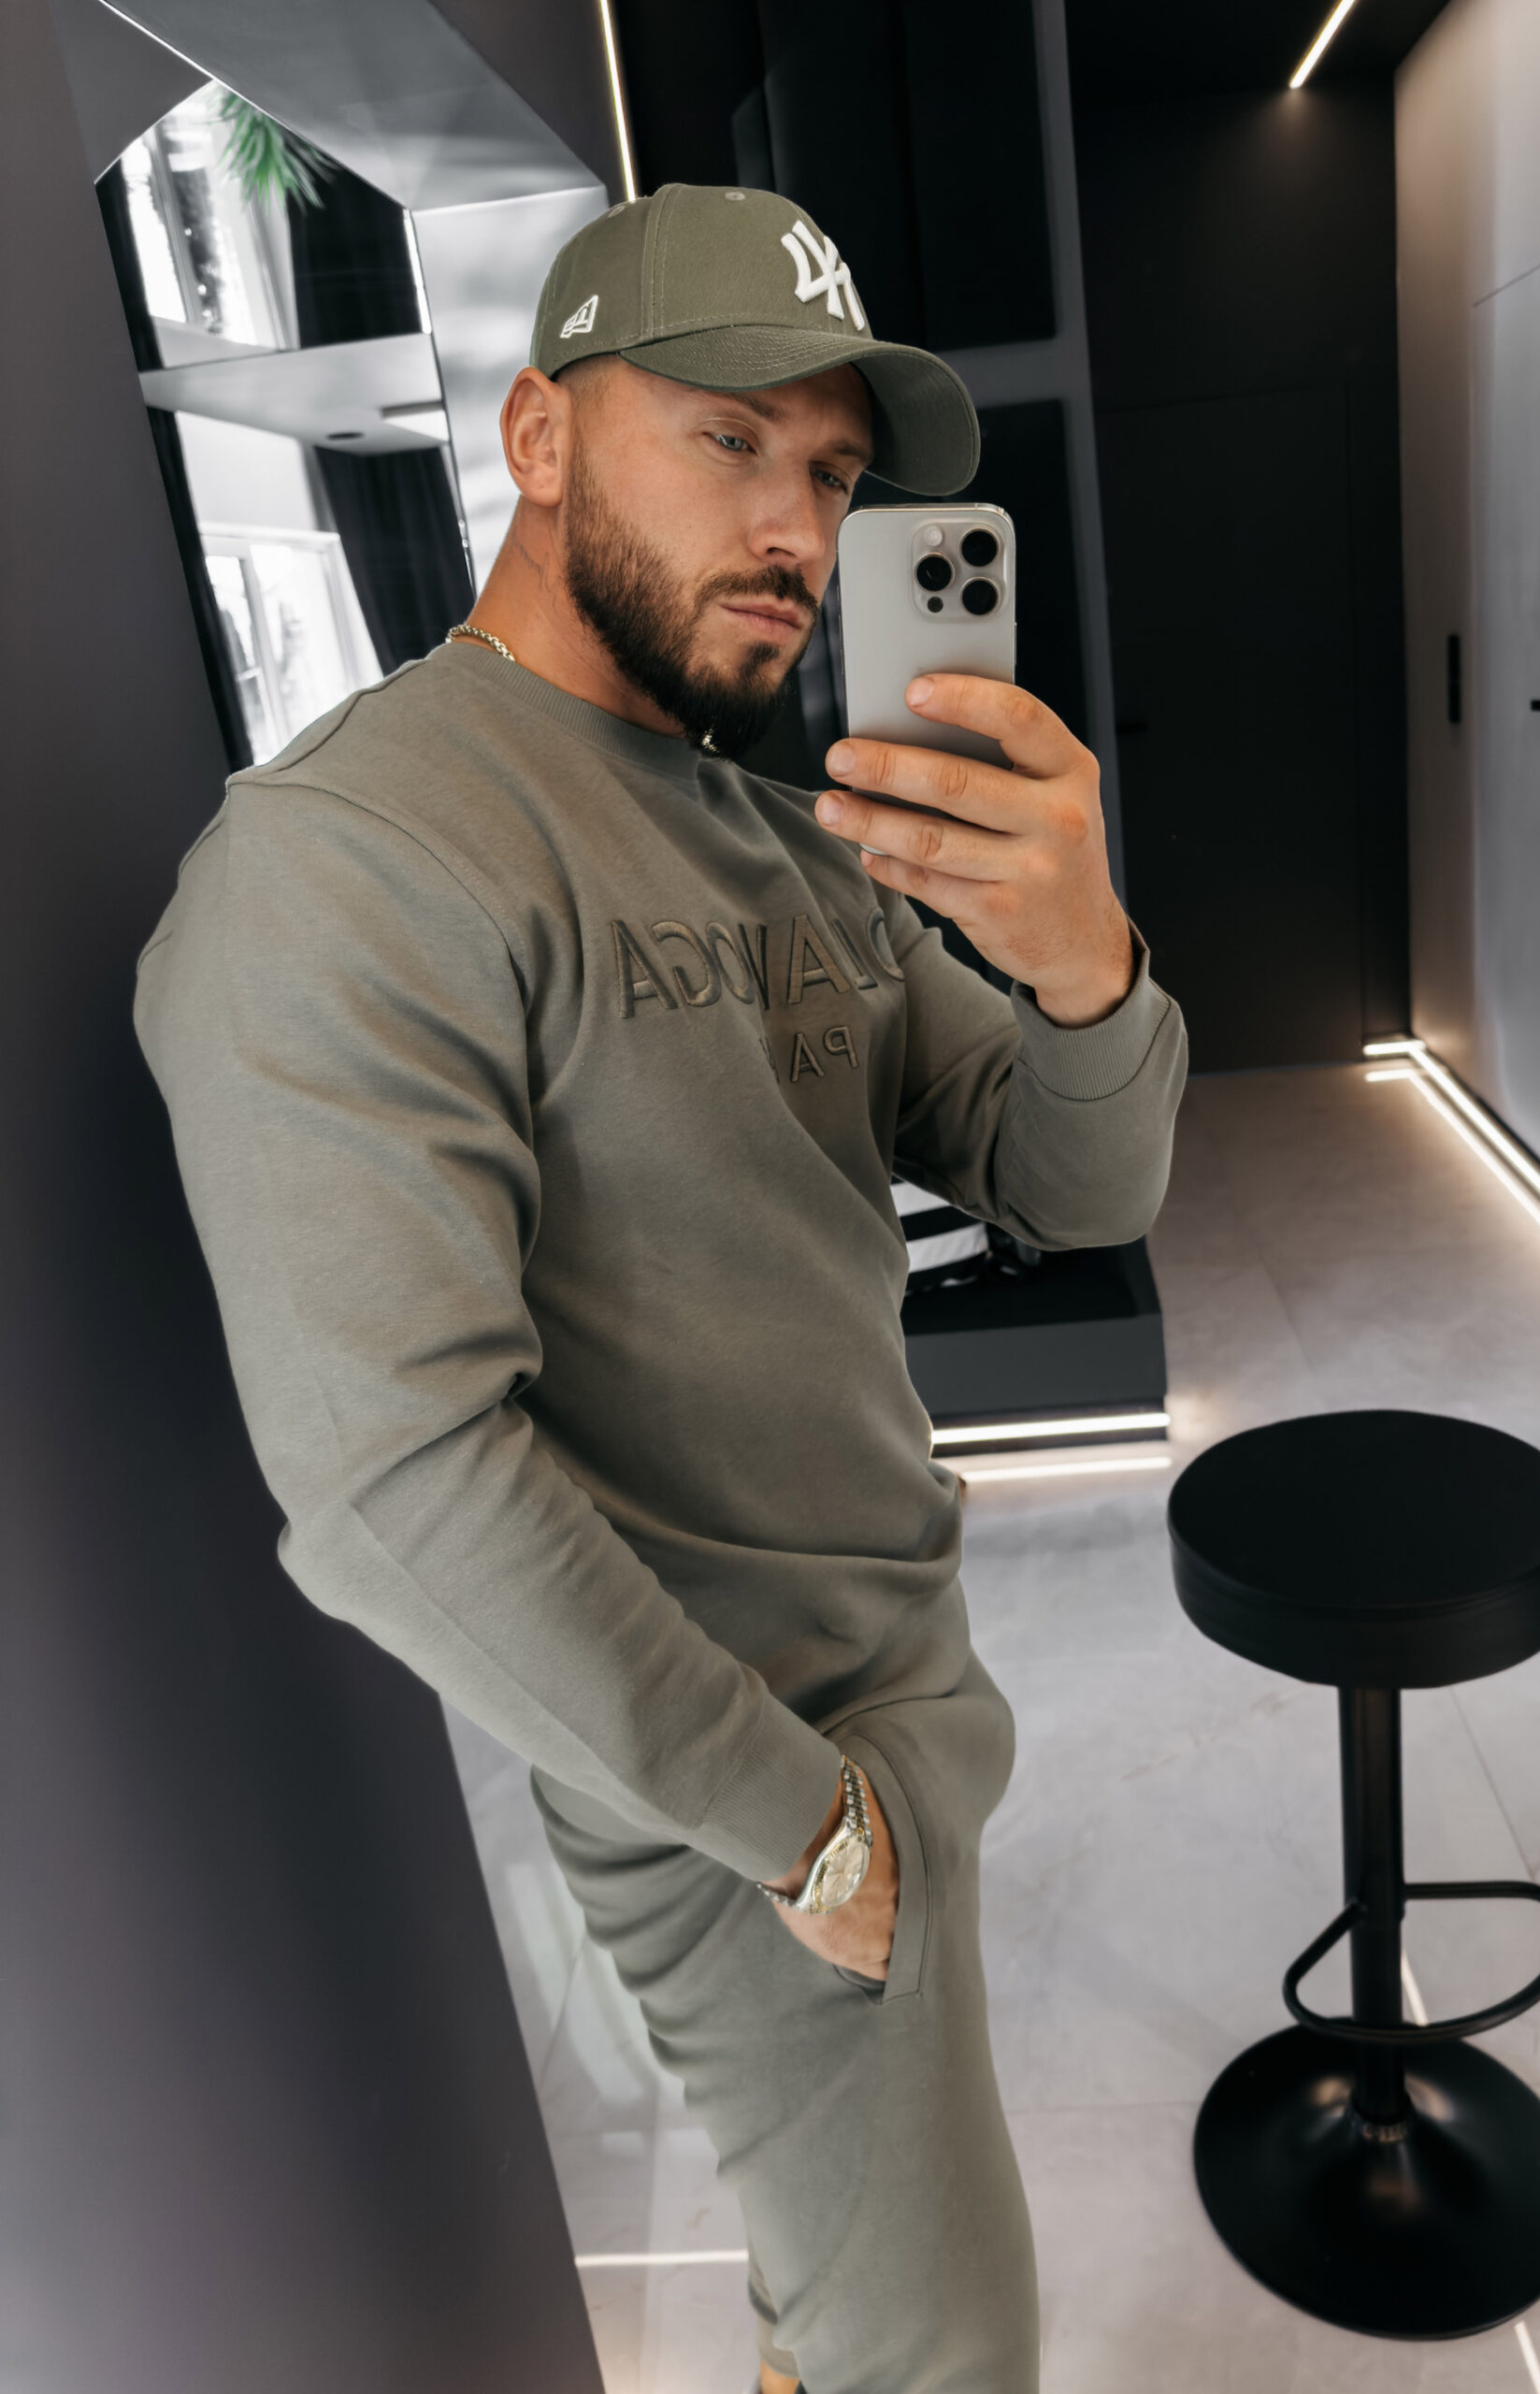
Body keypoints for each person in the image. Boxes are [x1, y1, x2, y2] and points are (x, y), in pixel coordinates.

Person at [136, 182, 1187, 2393]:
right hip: (747, 1785)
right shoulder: (349, 859)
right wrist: (801, 1824)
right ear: (536, 435)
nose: (797, 523)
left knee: (856, 2302)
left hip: (896, 1706)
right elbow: (391, 1474)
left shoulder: (795, 839)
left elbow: (1071, 1178)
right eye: (727, 437)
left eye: (834, 471)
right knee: (941, 2352)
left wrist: (1089, 970)